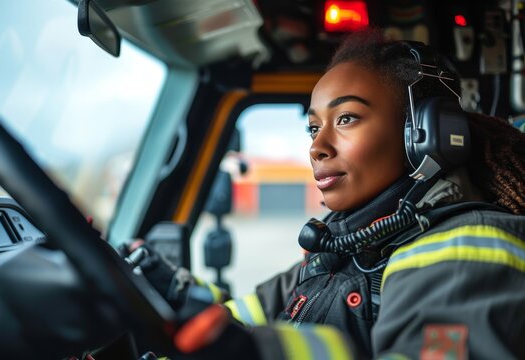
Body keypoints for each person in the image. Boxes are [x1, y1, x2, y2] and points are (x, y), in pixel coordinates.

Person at [137, 28, 525, 359]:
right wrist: (167, 288)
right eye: (312, 128)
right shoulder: (341, 249)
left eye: (346, 118)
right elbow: (235, 322)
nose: (317, 146)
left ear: (426, 133)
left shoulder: (468, 246)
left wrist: (262, 351)